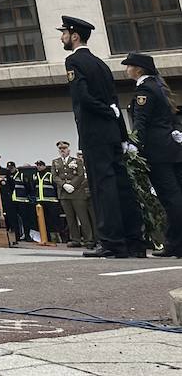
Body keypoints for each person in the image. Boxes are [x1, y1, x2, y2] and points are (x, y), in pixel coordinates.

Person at [60, 16, 147, 259]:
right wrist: (121, 134)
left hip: (94, 133)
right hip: (111, 133)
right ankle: (134, 241)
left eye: (64, 33)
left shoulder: (74, 60)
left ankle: (111, 242)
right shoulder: (101, 64)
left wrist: (105, 111)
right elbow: (114, 101)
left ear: (75, 35)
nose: (62, 37)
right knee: (121, 186)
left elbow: (82, 97)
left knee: (102, 187)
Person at [124, 52, 182, 258]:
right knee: (176, 196)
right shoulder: (158, 86)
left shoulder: (144, 89)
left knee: (171, 199)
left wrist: (133, 145)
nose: (127, 69)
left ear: (138, 69)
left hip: (157, 152)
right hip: (171, 149)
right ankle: (175, 242)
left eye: (129, 66)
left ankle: (176, 243)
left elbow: (141, 121)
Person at [52, 141, 93, 248]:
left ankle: (89, 239)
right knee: (70, 218)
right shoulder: (55, 162)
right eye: (61, 149)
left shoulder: (77, 161)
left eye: (64, 149)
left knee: (83, 217)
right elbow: (55, 176)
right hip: (64, 193)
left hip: (77, 193)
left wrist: (73, 185)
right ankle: (75, 239)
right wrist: (64, 185)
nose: (62, 151)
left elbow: (80, 175)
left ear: (68, 150)